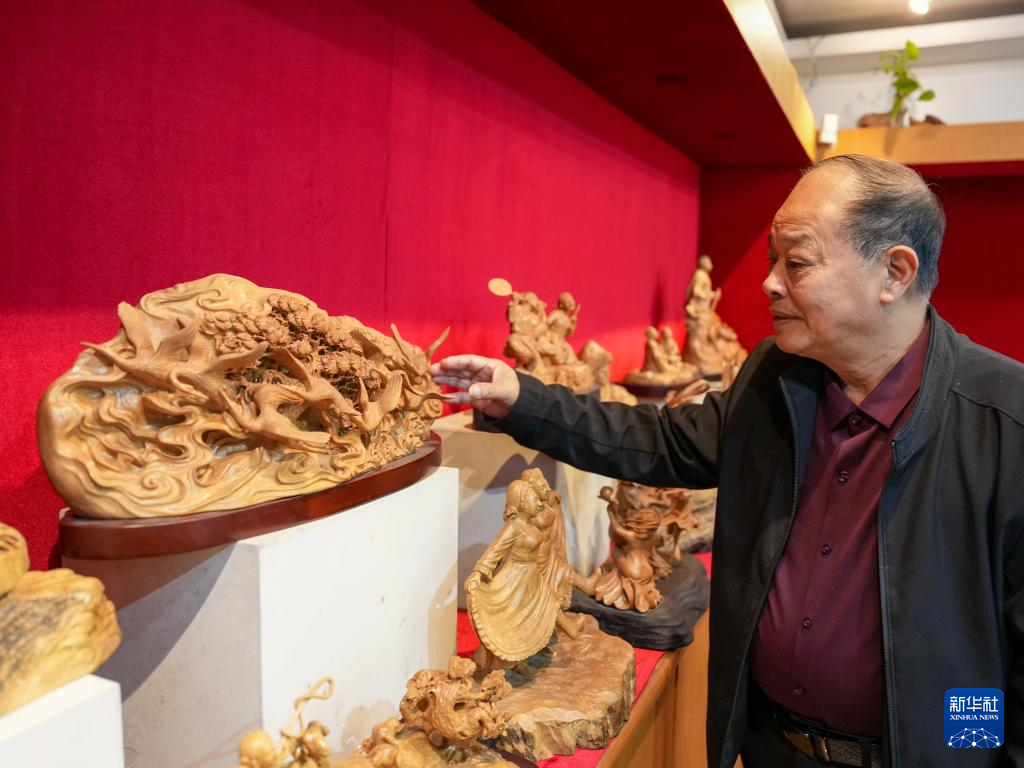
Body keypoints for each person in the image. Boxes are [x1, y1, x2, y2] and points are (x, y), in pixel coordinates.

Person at [431, 154, 1024, 768]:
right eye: (772, 260)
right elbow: (661, 441)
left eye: (796, 262)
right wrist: (522, 399)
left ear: (894, 273)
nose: (769, 283)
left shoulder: (1005, 424)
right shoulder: (776, 377)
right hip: (773, 750)